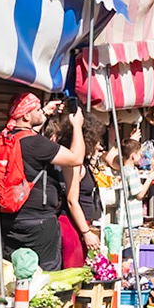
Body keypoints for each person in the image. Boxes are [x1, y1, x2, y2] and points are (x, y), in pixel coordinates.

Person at [0, 93, 83, 273]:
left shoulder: (5, 136)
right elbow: (76, 158)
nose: (41, 112)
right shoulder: (35, 143)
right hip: (38, 223)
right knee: (44, 274)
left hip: (10, 219)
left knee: (16, 272)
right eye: (37, 109)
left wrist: (44, 112)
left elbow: (30, 135)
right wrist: (77, 126)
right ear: (26, 116)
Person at [61, 112, 106, 270]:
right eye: (96, 141)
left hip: (80, 225)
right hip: (71, 226)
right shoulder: (74, 165)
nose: (99, 146)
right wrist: (86, 232)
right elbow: (72, 200)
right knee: (73, 271)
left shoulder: (82, 163)